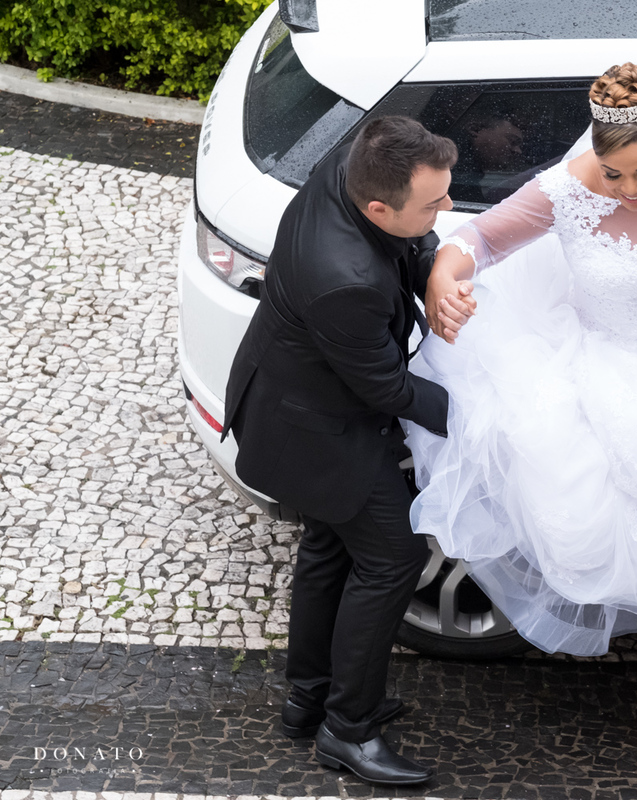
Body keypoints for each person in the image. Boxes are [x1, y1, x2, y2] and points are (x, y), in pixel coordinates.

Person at [407, 63, 637, 711]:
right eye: (613, 174)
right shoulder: (566, 189)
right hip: (606, 361)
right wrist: (444, 276)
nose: (629, 190)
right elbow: (477, 239)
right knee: (634, 511)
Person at [222, 116, 467, 785]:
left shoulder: (356, 161)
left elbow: (413, 242)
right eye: (433, 204)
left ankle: (310, 698)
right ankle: (348, 730)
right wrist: (480, 416)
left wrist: (434, 272)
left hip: (291, 403)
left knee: (330, 547)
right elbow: (387, 387)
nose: (447, 208)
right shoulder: (346, 280)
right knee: (393, 558)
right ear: (379, 208)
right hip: (316, 434)